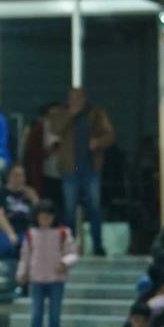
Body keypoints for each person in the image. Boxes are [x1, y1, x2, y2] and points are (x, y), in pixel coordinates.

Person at [51, 87, 115, 256]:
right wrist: (70, 115)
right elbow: (55, 130)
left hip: (90, 167)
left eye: (78, 98)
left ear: (85, 98)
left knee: (94, 209)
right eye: (72, 97)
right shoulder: (61, 114)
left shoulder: (96, 114)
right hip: (70, 168)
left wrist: (98, 142)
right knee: (69, 210)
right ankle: (68, 247)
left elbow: (110, 136)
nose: (75, 101)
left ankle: (98, 246)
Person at [17, 199, 77, 327]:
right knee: (36, 315)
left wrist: (64, 263)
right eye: (42, 218)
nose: (45, 221)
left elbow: (72, 254)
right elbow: (25, 256)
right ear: (37, 217)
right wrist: (22, 273)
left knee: (54, 315)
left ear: (53, 217)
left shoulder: (63, 233)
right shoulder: (30, 233)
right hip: (36, 279)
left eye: (48, 218)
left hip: (56, 279)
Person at [0, 163, 39, 258]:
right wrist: (11, 234)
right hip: (1, 230)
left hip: (23, 230)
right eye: (16, 175)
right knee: (8, 246)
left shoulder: (28, 194)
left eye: (22, 175)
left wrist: (34, 199)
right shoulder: (0, 193)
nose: (20, 179)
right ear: (8, 177)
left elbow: (40, 216)